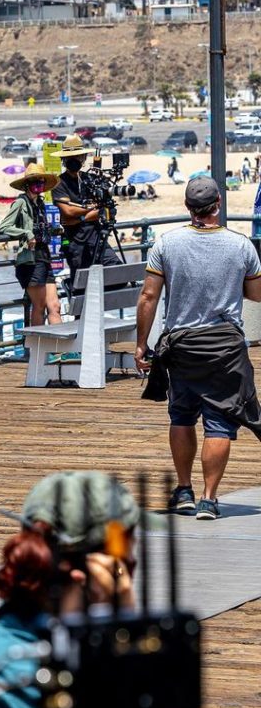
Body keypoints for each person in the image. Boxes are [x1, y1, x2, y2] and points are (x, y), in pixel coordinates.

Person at [0, 471, 205, 708]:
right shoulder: (4, 660)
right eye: (126, 564)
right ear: (95, 571)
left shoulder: (85, 636)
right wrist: (129, 630)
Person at [136, 176, 261, 520]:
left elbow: (148, 296)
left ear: (187, 207)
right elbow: (257, 294)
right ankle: (208, 498)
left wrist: (141, 344)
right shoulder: (241, 246)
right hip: (225, 347)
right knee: (219, 423)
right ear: (218, 204)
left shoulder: (167, 243)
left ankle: (184, 489)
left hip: (181, 346)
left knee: (182, 416)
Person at [0, 163, 62, 327]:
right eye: (35, 182)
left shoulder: (40, 203)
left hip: (45, 256)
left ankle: (59, 349)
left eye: (41, 182)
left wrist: (55, 230)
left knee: (55, 306)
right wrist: (26, 234)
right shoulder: (21, 202)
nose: (39, 186)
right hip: (30, 259)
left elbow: (40, 227)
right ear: (27, 184)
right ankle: (37, 349)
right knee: (39, 306)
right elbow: (4, 227)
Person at [51, 134, 121, 277]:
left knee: (117, 272)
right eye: (70, 157)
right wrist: (91, 211)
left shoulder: (91, 178)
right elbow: (68, 212)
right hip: (75, 242)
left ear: (83, 158)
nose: (74, 160)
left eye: (77, 157)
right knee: (81, 281)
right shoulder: (58, 183)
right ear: (63, 160)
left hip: (97, 237)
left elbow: (108, 207)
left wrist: (82, 216)